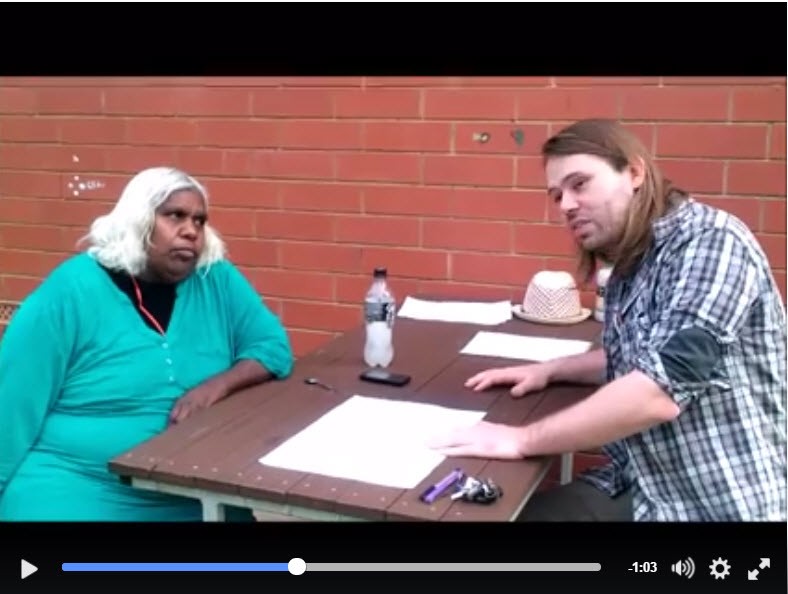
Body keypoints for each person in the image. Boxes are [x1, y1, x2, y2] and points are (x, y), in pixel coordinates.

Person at [429, 118, 787, 522]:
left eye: (579, 184)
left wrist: (521, 439)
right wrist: (551, 370)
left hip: (716, 503)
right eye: (557, 195)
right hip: (641, 483)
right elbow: (638, 355)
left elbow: (658, 391)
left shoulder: (712, 242)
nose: (565, 205)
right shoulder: (630, 264)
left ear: (634, 173)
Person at [0, 166, 294, 521]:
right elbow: (12, 402)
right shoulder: (70, 290)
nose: (191, 230)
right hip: (79, 484)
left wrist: (214, 388)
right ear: (138, 220)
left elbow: (272, 347)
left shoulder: (215, 279)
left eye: (199, 221)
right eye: (175, 216)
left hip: (193, 490)